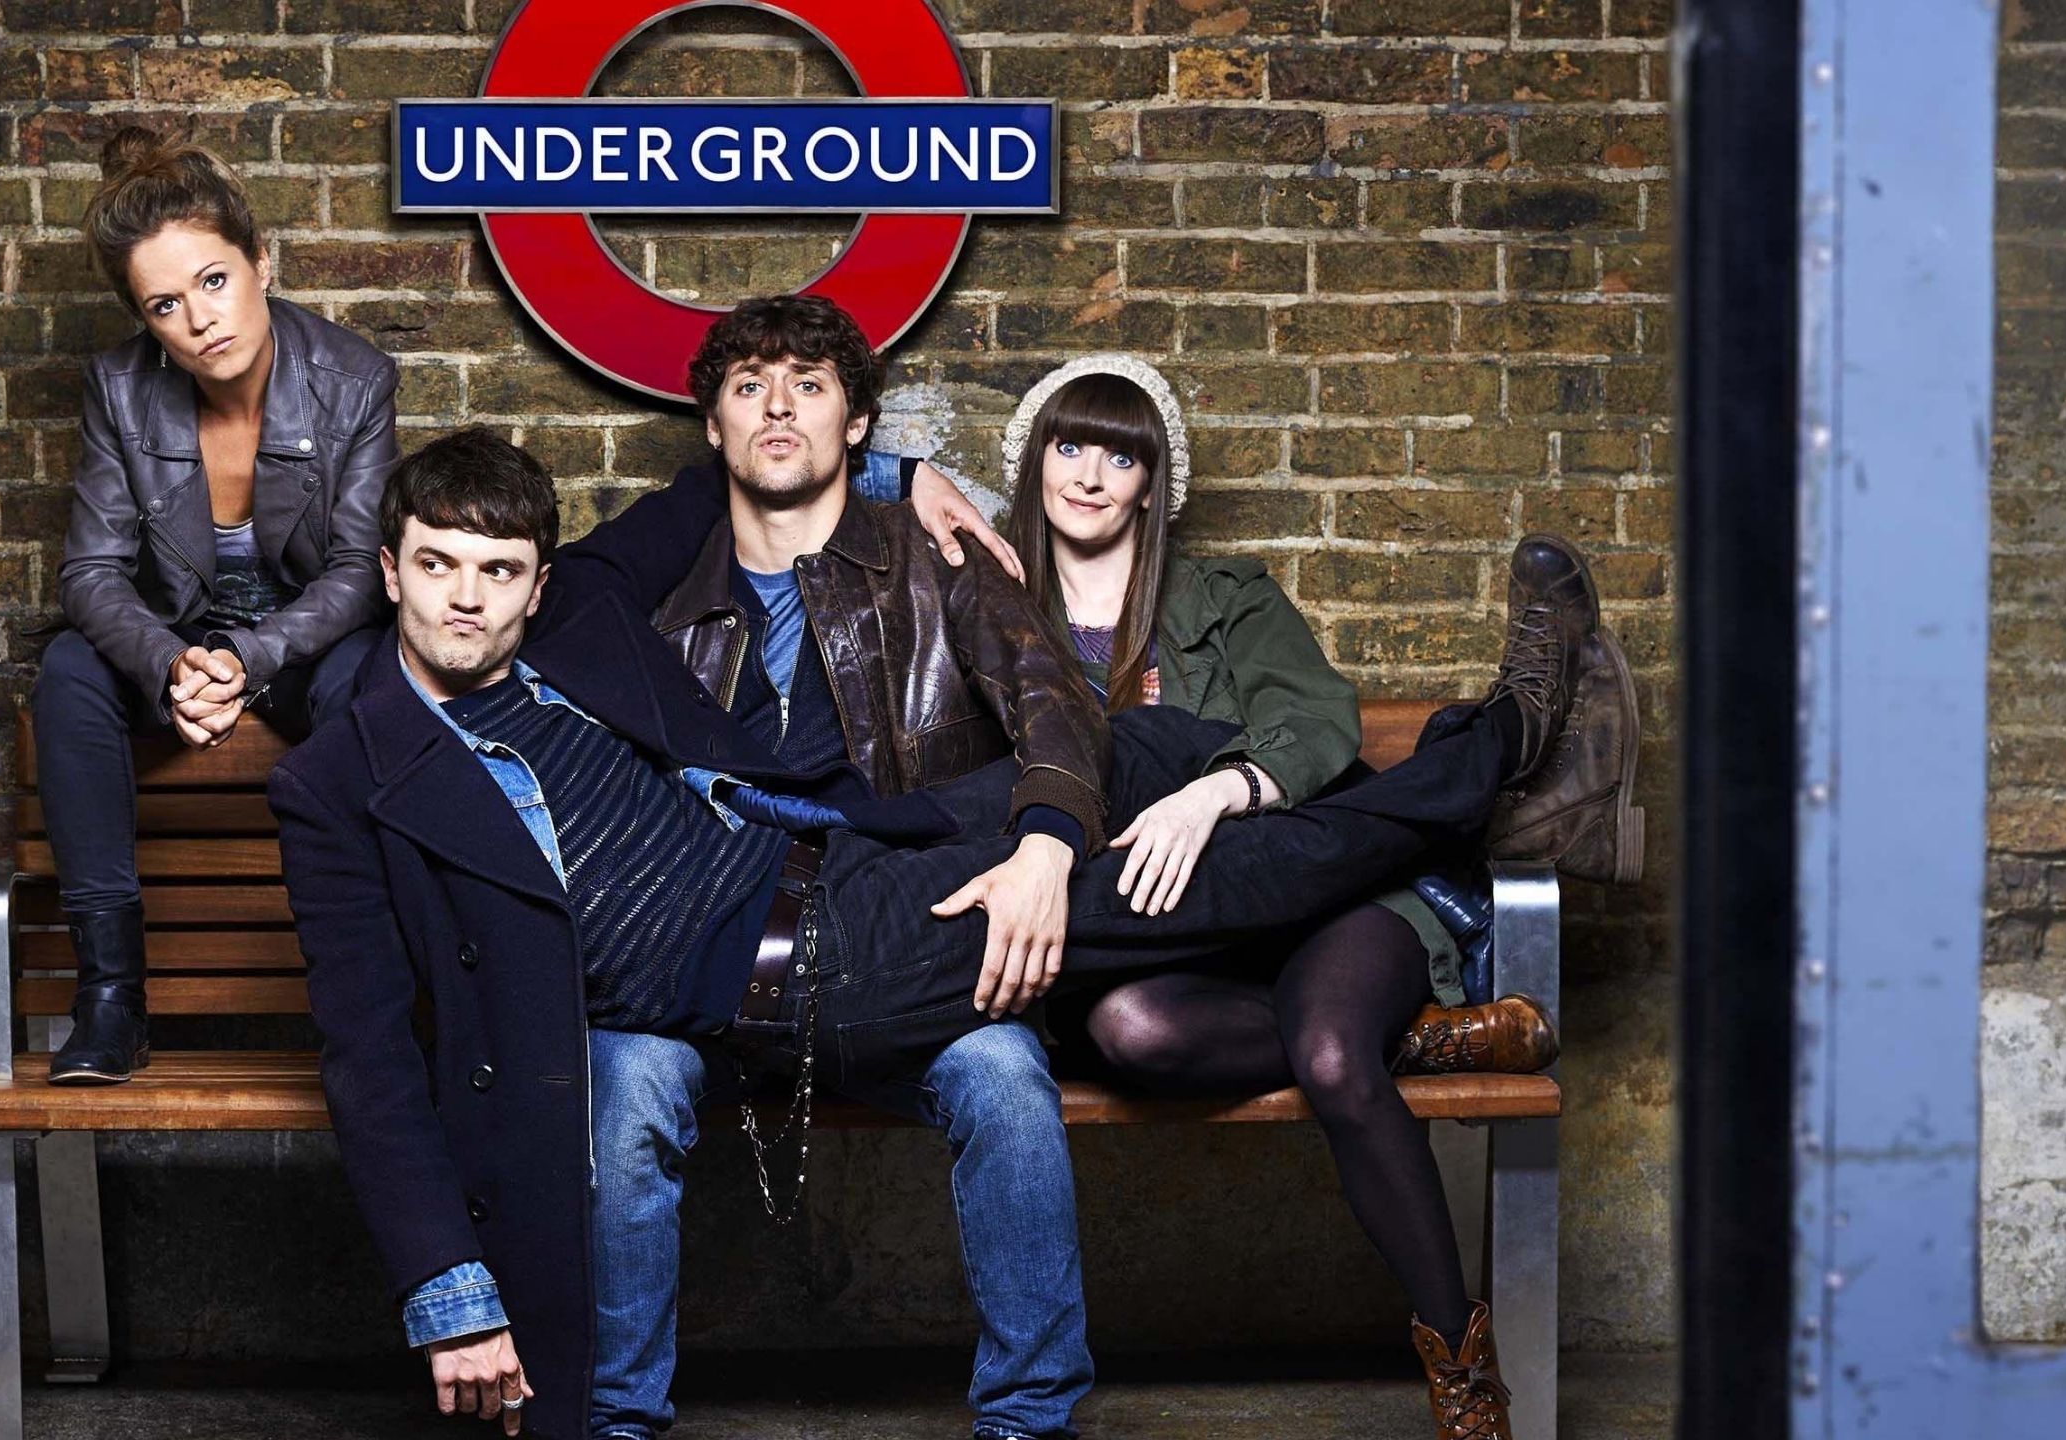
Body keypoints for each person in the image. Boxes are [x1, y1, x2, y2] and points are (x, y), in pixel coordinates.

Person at [270, 427, 1602, 1440]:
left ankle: (1446, 790)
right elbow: (369, 1061)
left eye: (496, 572)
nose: (465, 600)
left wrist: (908, 473)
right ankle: (1492, 765)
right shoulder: (343, 781)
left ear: (534, 580)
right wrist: (452, 1298)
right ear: (388, 571)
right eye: (435, 567)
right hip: (812, 983)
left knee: (1130, 746)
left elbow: (715, 480)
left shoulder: (571, 619)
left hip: (843, 862)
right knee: (1170, 888)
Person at [913, 353, 1639, 1439]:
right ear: (1033, 464)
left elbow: (1315, 722)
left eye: (1123, 454)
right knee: (1132, 1028)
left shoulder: (1224, 597)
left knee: (1336, 1052)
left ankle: (1465, 1379)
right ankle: (1436, 1007)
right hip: (1163, 940)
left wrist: (1217, 791)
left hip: (1319, 894)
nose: (1092, 475)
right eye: (1070, 446)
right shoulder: (986, 617)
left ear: (1155, 484)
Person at [610, 295, 1112, 1440]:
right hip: (707, 960)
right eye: (747, 385)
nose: (777, 404)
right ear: (710, 428)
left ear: (858, 424)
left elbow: (1060, 711)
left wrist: (1044, 844)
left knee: (1004, 1080)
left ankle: (1029, 1423)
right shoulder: (647, 596)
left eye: (808, 383)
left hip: (906, 940)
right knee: (622, 1087)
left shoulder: (936, 563)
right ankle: (612, 1420)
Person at [31, 125, 398, 1085]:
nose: (200, 320)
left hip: (304, 651)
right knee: (70, 664)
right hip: (182, 653)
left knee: (375, 673)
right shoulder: (118, 389)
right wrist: (172, 664)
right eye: (164, 304)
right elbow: (92, 573)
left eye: (213, 282)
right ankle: (111, 997)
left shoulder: (353, 380)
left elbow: (360, 571)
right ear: (144, 322)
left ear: (260, 262)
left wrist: (251, 659)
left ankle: (362, 991)